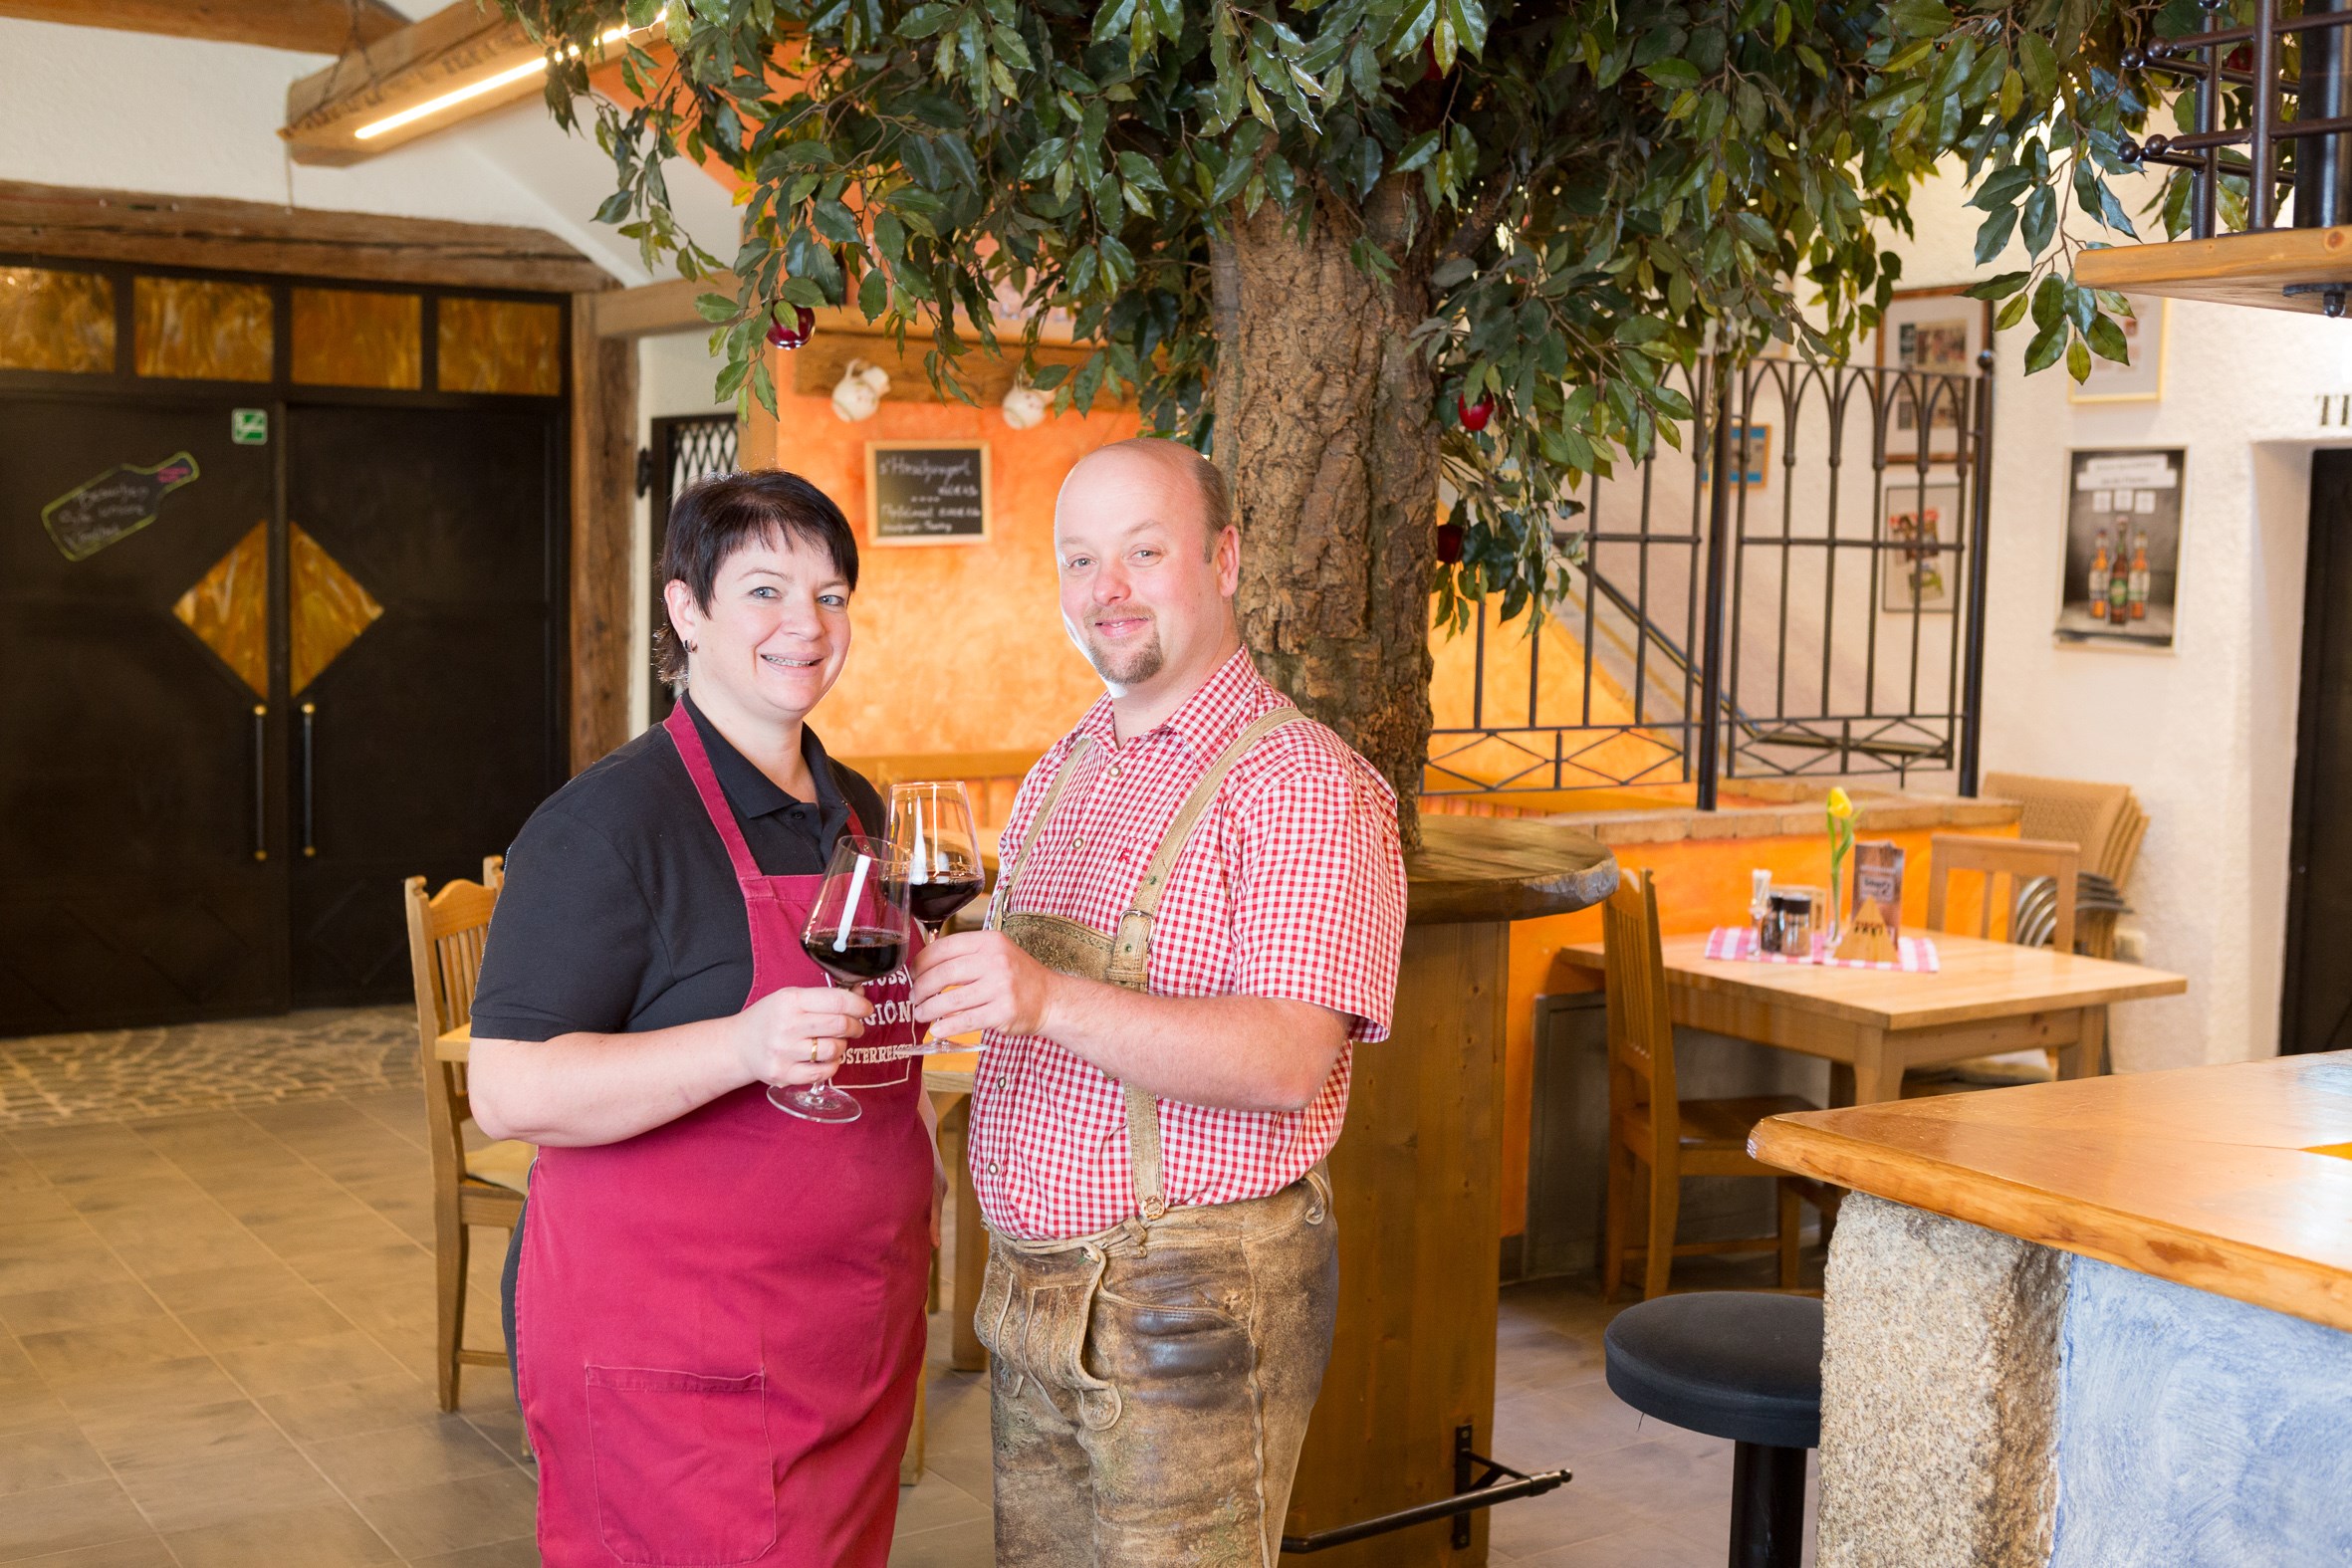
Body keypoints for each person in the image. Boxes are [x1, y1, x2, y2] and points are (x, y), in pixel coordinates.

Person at [907, 437, 1409, 1567]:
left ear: (1224, 559)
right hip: (1032, 1293)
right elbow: (1022, 997)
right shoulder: (1070, 760)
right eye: (1080, 560)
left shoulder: (1303, 785)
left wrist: (1041, 999)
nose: (1107, 591)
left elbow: (1289, 1059)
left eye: (1143, 551)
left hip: (1187, 1302)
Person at [465, 470, 933, 1568]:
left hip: (845, 1340)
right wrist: (740, 1044)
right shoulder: (607, 825)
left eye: (829, 597)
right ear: (686, 611)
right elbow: (510, 1089)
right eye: (765, 591)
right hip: (680, 1368)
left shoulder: (853, 810)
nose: (804, 627)